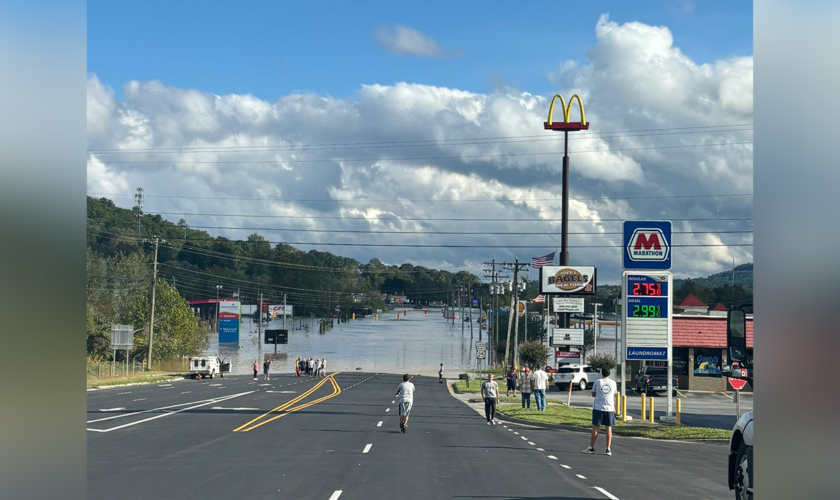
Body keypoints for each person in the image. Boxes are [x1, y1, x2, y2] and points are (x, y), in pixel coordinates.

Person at [583, 366, 617, 456]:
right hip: (610, 408)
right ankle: (608, 449)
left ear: (602, 373)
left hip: (598, 407)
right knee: (608, 428)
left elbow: (593, 394)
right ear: (609, 373)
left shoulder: (598, 382)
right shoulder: (613, 383)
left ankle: (591, 447)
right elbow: (614, 393)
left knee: (595, 427)